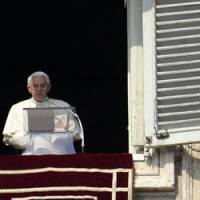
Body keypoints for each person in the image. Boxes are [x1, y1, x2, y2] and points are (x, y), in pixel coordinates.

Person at [2, 71, 84, 155]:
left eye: (43, 85)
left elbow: (75, 134)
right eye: (35, 86)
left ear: (48, 87)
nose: (39, 89)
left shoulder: (63, 106)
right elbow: (10, 138)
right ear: (29, 88)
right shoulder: (17, 108)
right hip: (30, 156)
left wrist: (57, 136)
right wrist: (33, 139)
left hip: (60, 154)